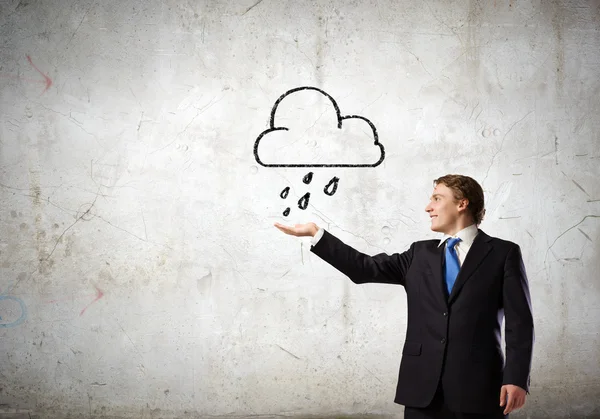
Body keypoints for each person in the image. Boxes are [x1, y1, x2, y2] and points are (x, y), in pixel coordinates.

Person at [274, 174, 534, 419]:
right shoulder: (419, 255)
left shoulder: (502, 254)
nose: (428, 207)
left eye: (436, 198)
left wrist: (516, 377)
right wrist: (316, 234)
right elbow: (363, 268)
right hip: (422, 389)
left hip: (480, 389)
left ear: (462, 204)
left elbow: (519, 323)